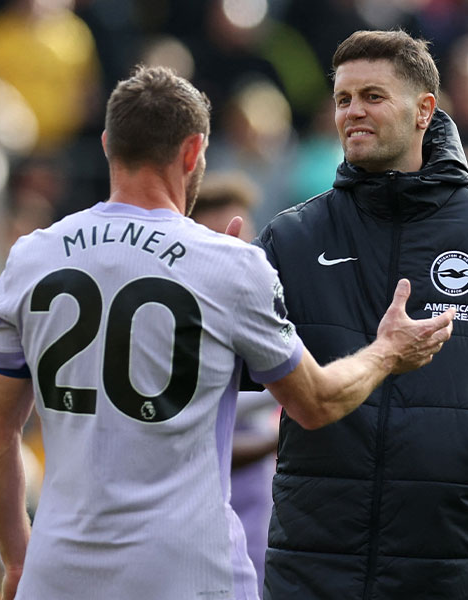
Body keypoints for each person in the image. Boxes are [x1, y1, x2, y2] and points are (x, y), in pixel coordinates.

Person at [0, 64, 455, 600]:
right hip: (186, 574)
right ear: (193, 150)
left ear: (109, 144)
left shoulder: (29, 258)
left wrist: (19, 561)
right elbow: (315, 403)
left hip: (58, 575)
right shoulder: (227, 266)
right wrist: (386, 353)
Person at [254, 29, 468, 599]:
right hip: (317, 558)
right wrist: (217, 292)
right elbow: (241, 366)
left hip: (456, 560)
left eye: (372, 96)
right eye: (343, 99)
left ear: (424, 111)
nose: (352, 113)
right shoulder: (293, 237)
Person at [190, 172, 276, 597]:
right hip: (190, 540)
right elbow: (199, 445)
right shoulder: (176, 335)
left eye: (244, 241)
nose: (236, 253)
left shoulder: (271, 322)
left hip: (258, 527)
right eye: (221, 240)